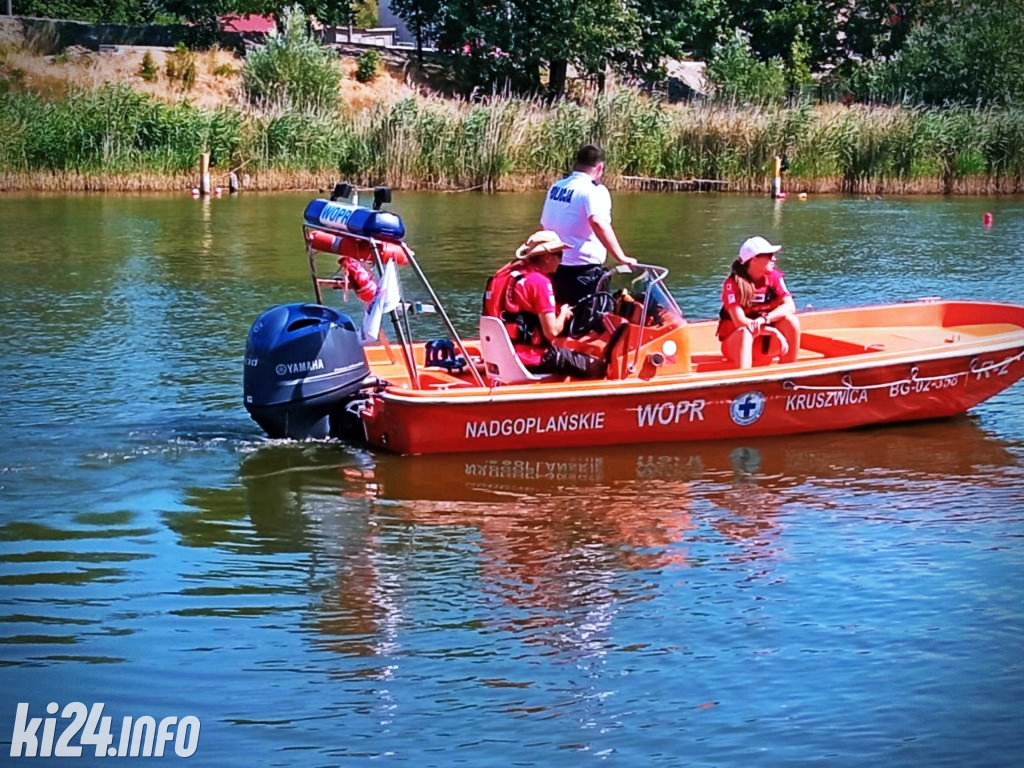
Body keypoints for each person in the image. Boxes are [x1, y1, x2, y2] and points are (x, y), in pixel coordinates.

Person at [482, 230, 607, 379]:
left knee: (566, 353)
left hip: (501, 354)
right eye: (559, 255)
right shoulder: (539, 283)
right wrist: (563, 314)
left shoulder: (504, 275)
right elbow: (552, 332)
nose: (561, 261)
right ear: (547, 257)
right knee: (598, 367)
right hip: (530, 358)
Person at [540, 143, 638, 308]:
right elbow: (598, 221)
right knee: (590, 323)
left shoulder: (556, 187)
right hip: (583, 272)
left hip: (555, 268)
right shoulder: (594, 191)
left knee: (564, 317)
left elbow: (545, 223)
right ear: (600, 168)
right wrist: (621, 257)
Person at [717, 236, 801, 369]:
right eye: (769, 255)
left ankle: (788, 375)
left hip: (765, 343)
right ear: (754, 259)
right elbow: (740, 322)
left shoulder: (774, 277)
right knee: (745, 332)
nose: (773, 258)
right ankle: (746, 382)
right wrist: (772, 332)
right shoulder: (732, 284)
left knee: (792, 321)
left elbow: (790, 306)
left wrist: (765, 319)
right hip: (737, 345)